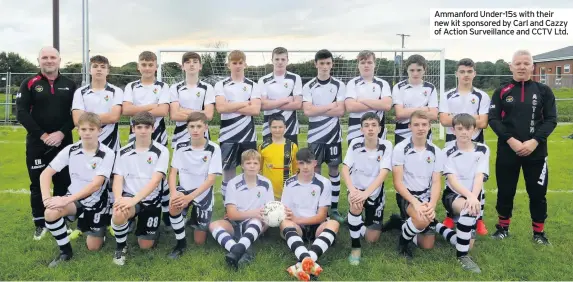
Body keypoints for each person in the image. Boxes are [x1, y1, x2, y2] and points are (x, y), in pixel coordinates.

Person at [488, 50, 557, 245]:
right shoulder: (501, 91)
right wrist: (511, 140)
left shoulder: (544, 91)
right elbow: (493, 119)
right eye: (518, 63)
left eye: (526, 63)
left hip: (536, 152)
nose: (522, 67)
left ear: (532, 67)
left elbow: (551, 120)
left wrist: (534, 141)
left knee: (537, 193)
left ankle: (539, 233)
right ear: (510, 66)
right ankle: (502, 228)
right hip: (508, 150)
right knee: (505, 190)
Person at [16, 46, 77, 240]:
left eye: (52, 57)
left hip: (63, 141)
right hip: (37, 143)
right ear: (39, 60)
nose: (49, 61)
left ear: (59, 60)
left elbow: (75, 114)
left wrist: (61, 133)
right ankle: (40, 223)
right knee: (37, 183)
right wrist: (43, 135)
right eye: (45, 58)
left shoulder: (70, 84)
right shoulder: (29, 83)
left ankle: (59, 221)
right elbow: (22, 113)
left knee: (63, 182)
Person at [40, 113, 115, 267]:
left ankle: (99, 225)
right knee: (50, 212)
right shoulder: (70, 149)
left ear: (99, 131)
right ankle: (65, 252)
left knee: (93, 248)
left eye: (91, 129)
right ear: (78, 131)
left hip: (97, 203)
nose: (87, 132)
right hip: (74, 199)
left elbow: (96, 185)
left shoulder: (108, 153)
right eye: (84, 129)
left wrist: (65, 199)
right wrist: (47, 199)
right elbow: (46, 174)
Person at [110, 112, 170, 266]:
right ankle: (121, 247)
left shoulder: (162, 151)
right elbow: (118, 178)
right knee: (117, 212)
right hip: (130, 197)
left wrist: (134, 201)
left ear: (153, 128)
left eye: (146, 127)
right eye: (139, 127)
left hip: (151, 200)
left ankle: (150, 229)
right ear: (133, 128)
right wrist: (118, 200)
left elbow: (155, 181)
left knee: (145, 246)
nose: (143, 130)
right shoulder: (123, 152)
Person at [439, 58, 490, 235]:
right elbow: (444, 120)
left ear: (474, 73)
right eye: (462, 72)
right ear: (457, 74)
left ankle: (479, 219)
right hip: (453, 143)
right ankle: (450, 215)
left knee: (476, 179)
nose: (466, 75)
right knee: (453, 178)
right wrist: (470, 119)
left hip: (475, 143)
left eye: (469, 72)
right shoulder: (447, 95)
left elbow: (483, 122)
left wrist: (457, 118)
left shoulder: (482, 96)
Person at [434, 113, 489, 273]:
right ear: (453, 130)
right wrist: (471, 198)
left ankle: (436, 226)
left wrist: (473, 196)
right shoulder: (447, 151)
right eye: (460, 128)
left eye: (468, 128)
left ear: (474, 130)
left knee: (466, 241)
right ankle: (462, 257)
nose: (464, 132)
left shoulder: (482, 149)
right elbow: (452, 180)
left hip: (474, 194)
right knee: (468, 208)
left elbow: (479, 176)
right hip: (453, 196)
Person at [123, 51, 172, 228]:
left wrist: (139, 109)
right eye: (144, 64)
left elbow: (163, 111)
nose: (147, 68)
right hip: (135, 135)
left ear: (156, 67)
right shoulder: (131, 86)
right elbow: (126, 110)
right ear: (138, 67)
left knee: (160, 176)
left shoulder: (163, 86)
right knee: (133, 172)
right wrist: (152, 106)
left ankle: (166, 213)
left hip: (158, 135)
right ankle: (130, 212)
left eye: (151, 64)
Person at [167, 112, 222, 259]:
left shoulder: (214, 148)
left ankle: (192, 218)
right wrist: (173, 193)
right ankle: (180, 243)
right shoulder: (180, 146)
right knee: (173, 204)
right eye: (192, 126)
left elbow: (211, 180)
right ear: (187, 128)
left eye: (199, 126)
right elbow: (172, 173)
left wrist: (190, 198)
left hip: (202, 193)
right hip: (183, 190)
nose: (195, 130)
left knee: (199, 241)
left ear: (206, 127)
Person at [280, 148, 340, 281]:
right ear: (297, 164)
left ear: (315, 163)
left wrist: (298, 219)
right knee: (284, 223)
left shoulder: (324, 183)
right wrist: (293, 219)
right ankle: (309, 261)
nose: (305, 167)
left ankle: (304, 262)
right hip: (297, 227)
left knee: (334, 223)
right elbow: (285, 211)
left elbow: (322, 216)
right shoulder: (289, 183)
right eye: (301, 163)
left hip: (316, 226)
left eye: (308, 163)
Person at [342, 112, 393, 265]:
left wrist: (366, 194)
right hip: (356, 189)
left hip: (374, 192)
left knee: (372, 239)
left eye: (374, 125)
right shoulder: (355, 144)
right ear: (361, 129)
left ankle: (354, 222)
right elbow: (345, 168)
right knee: (356, 205)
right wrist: (352, 190)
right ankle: (355, 247)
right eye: (366, 125)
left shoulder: (386, 145)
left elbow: (383, 173)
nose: (370, 129)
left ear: (380, 128)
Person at [392, 110, 444, 259]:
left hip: (426, 198)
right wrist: (415, 203)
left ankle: (402, 224)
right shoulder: (400, 149)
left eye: (424, 124)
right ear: (410, 126)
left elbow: (436, 182)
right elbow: (397, 183)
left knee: (427, 245)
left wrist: (432, 205)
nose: (420, 128)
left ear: (429, 127)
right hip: (408, 197)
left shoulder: (436, 151)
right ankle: (403, 243)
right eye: (416, 125)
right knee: (421, 220)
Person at [209, 149, 273, 270]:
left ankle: (237, 251)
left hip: (258, 223)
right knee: (213, 225)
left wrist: (257, 216)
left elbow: (269, 212)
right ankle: (240, 250)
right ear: (242, 165)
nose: (252, 166)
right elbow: (232, 215)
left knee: (256, 220)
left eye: (255, 163)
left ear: (260, 166)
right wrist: (254, 212)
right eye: (248, 163)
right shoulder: (233, 183)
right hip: (236, 223)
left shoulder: (266, 183)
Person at [302, 49, 346, 223]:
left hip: (334, 136)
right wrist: (331, 106)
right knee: (316, 171)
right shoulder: (309, 86)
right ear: (316, 64)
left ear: (332, 64)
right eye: (321, 63)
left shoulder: (339, 85)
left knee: (334, 171)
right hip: (315, 137)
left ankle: (333, 208)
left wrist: (318, 108)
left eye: (328, 63)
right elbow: (307, 111)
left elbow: (341, 110)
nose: (325, 67)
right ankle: (317, 208)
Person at [214, 50, 261, 202]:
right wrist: (244, 103)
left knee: (250, 171)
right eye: (234, 63)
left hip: (248, 136)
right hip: (228, 137)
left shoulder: (253, 85)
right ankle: (229, 207)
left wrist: (231, 105)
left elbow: (255, 110)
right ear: (228, 65)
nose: (238, 66)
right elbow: (221, 108)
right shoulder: (221, 85)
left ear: (245, 64)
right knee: (228, 173)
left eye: (240, 63)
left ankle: (249, 204)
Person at [72, 55, 123, 151]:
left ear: (108, 71)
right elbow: (77, 120)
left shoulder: (117, 91)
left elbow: (114, 117)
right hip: (87, 144)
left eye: (103, 67)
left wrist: (86, 117)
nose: (99, 69)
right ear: (89, 70)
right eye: (95, 66)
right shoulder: (80, 92)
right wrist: (106, 116)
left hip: (111, 145)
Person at [344, 50, 392, 144]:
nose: (366, 65)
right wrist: (377, 103)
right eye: (362, 62)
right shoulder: (352, 83)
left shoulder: (383, 84)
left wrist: (361, 100)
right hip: (355, 131)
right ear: (358, 65)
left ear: (374, 64)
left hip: (377, 131)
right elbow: (350, 107)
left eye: (369, 62)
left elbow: (386, 105)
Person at [170, 51, 216, 147]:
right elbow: (174, 115)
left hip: (202, 136)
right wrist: (200, 113)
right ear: (182, 67)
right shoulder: (174, 88)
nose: (191, 64)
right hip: (180, 136)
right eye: (187, 62)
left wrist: (182, 110)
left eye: (195, 62)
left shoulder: (208, 88)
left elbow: (208, 115)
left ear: (200, 66)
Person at [258, 47, 303, 144]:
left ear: (287, 61)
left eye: (283, 59)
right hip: (269, 128)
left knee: (290, 159)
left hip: (290, 127)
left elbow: (298, 104)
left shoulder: (295, 78)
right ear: (272, 61)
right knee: (270, 159)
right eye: (277, 59)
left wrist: (272, 103)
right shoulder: (263, 80)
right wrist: (286, 100)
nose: (280, 62)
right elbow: (262, 105)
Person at [392, 54, 439, 145]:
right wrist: (423, 109)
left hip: (423, 130)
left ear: (424, 70)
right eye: (412, 70)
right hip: (402, 131)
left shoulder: (430, 87)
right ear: (407, 70)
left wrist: (407, 111)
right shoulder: (399, 87)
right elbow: (400, 113)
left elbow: (433, 115)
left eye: (419, 70)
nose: (415, 73)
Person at [258, 113, 298, 200]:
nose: (277, 130)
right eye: (274, 127)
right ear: (269, 128)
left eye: (280, 127)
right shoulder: (263, 146)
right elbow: (259, 169)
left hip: (287, 190)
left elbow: (295, 170)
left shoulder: (292, 146)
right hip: (268, 191)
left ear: (285, 127)